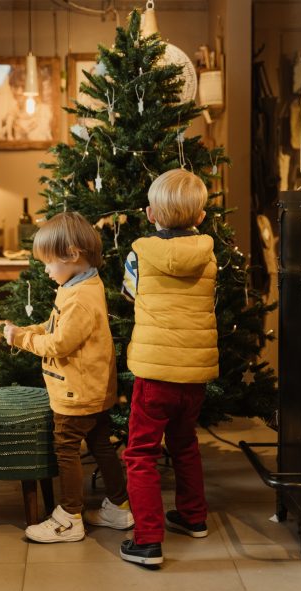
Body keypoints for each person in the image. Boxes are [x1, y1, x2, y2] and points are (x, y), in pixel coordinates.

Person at [3, 211, 133, 543]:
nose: (46, 270)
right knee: (102, 444)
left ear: (73, 254)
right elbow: (54, 328)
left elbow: (59, 344)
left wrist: (21, 339)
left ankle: (69, 517)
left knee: (67, 447)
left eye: (49, 263)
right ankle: (119, 507)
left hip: (76, 392)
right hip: (93, 386)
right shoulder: (82, 285)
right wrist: (26, 330)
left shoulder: (79, 298)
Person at [119, 168, 219, 567]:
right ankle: (194, 518)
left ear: (149, 213)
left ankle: (147, 540)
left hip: (155, 374)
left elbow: (130, 294)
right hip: (193, 375)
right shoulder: (209, 251)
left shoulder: (138, 251)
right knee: (185, 443)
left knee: (140, 453)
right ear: (200, 217)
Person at [0, 65, 52, 142]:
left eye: (23, 87)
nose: (18, 92)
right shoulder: (10, 115)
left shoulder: (44, 111)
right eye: (15, 86)